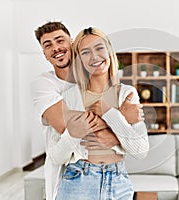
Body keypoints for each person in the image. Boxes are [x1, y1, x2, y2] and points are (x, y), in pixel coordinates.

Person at [31, 21, 145, 200]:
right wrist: (118, 117)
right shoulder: (68, 95)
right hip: (79, 179)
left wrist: (112, 120)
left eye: (99, 48)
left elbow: (141, 150)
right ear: (80, 58)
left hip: (119, 181)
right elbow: (59, 151)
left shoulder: (127, 93)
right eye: (85, 52)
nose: (94, 56)